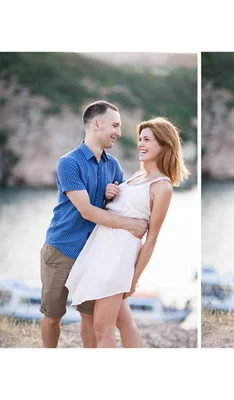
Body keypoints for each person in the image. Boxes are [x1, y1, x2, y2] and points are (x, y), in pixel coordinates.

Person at [65, 117, 189, 348]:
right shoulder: (137, 176)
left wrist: (133, 279)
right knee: (124, 322)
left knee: (103, 329)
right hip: (102, 251)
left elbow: (151, 239)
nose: (140, 144)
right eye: (140, 139)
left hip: (118, 258)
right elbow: (124, 207)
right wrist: (111, 193)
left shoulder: (162, 186)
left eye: (147, 140)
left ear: (164, 144)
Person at [40, 100, 148, 348]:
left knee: (88, 317)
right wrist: (130, 225)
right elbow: (87, 211)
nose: (119, 133)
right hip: (62, 249)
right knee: (53, 315)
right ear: (97, 124)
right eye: (115, 125)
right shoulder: (68, 163)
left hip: (96, 253)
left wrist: (113, 195)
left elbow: (122, 203)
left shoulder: (114, 166)